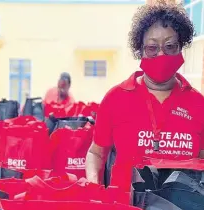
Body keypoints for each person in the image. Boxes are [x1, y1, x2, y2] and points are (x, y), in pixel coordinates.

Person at [85, 2, 204, 184]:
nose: (161, 55)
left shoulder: (198, 104)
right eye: (152, 48)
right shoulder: (116, 98)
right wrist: (94, 185)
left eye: (170, 46)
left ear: (181, 47)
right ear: (140, 50)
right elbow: (96, 153)